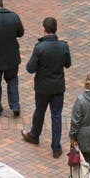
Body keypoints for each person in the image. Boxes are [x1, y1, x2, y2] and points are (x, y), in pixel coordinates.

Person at [21, 17, 71, 158]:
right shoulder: (63, 46)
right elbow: (68, 64)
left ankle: (34, 135)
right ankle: (56, 147)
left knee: (39, 112)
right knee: (56, 116)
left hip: (42, 88)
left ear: (44, 29)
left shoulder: (40, 47)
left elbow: (30, 68)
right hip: (58, 87)